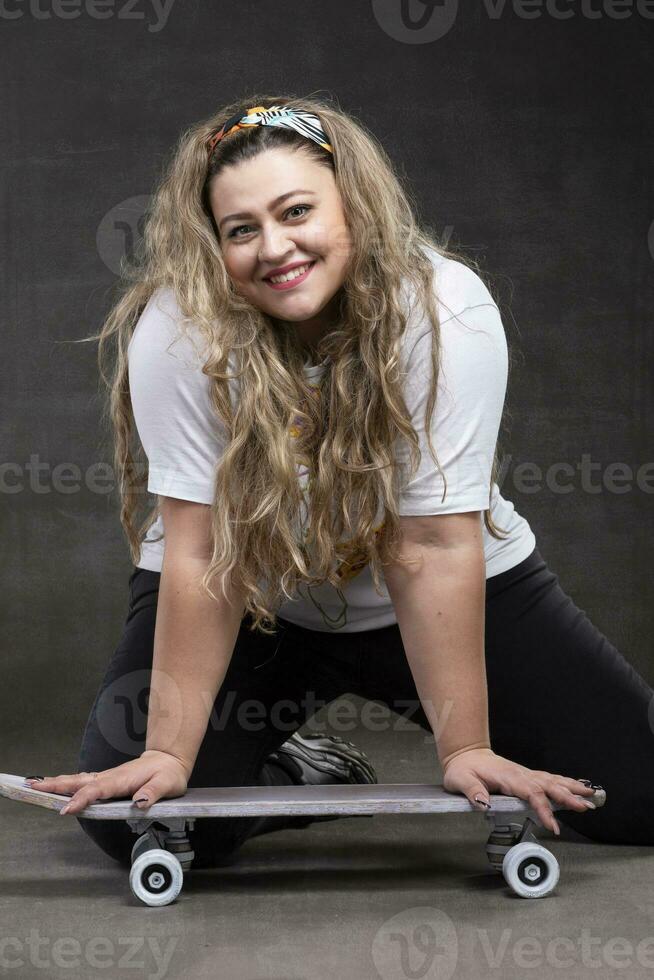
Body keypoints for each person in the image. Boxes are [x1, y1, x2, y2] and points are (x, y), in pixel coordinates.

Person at [24, 96, 654, 871]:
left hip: (438, 591)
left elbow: (427, 545)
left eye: (296, 211)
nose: (274, 247)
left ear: (352, 202)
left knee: (643, 797)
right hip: (257, 605)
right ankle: (298, 765)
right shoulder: (179, 327)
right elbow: (200, 550)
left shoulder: (443, 308)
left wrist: (467, 746)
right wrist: (169, 753)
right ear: (213, 247)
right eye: (241, 230)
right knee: (138, 820)